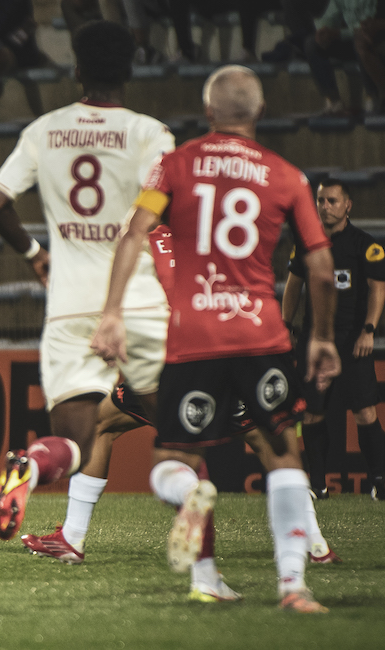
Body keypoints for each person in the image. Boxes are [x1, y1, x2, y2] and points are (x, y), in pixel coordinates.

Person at [91, 65, 341, 613]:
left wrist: (111, 312)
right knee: (284, 455)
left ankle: (190, 496)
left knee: (171, 457)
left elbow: (134, 234)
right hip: (261, 335)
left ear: (208, 112)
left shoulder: (174, 166)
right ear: (260, 112)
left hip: (194, 336)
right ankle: (293, 586)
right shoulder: (286, 176)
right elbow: (321, 269)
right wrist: (322, 336)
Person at [0, 19, 175, 563]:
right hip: (137, 301)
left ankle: (33, 466)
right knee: (182, 431)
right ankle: (207, 565)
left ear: (76, 70)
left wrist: (34, 254)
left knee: (76, 440)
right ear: (130, 71)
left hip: (69, 307)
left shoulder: (44, 130)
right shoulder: (151, 133)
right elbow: (161, 212)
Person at [282, 177, 385, 500]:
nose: (325, 207)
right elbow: (293, 286)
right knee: (313, 413)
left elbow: (378, 290)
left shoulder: (364, 244)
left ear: (348, 205)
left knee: (365, 413)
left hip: (354, 343)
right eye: (321, 200)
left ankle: (380, 481)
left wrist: (369, 330)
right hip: (314, 341)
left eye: (332, 201)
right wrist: (285, 325)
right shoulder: (306, 243)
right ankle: (318, 486)